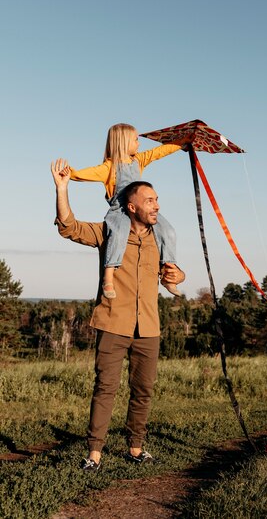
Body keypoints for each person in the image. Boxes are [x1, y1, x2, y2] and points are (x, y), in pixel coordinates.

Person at [51, 159, 186, 472]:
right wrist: (62, 189)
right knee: (105, 388)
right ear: (132, 206)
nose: (157, 205)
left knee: (143, 390)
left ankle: (136, 448)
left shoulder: (160, 239)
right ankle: (94, 454)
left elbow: (174, 275)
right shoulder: (110, 232)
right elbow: (69, 228)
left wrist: (178, 277)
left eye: (157, 200)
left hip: (149, 327)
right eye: (150, 200)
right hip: (112, 323)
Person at [69, 122, 182, 299]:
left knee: (168, 231)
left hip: (141, 209)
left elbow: (159, 152)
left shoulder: (139, 161)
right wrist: (71, 173)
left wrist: (182, 143)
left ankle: (168, 272)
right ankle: (108, 277)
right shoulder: (109, 168)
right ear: (123, 142)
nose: (139, 143)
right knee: (119, 234)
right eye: (135, 140)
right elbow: (87, 174)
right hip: (120, 211)